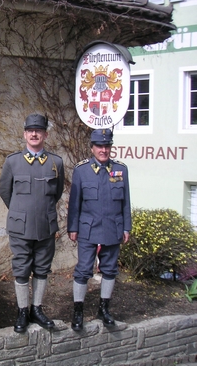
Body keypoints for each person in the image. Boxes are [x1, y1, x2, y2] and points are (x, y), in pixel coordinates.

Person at [0, 114, 65, 332]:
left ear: (45, 134)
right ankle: (22, 311)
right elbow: (5, 192)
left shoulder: (56, 162)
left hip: (45, 225)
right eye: (30, 131)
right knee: (21, 268)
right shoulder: (13, 161)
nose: (34, 134)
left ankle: (36, 309)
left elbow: (57, 192)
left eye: (38, 130)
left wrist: (39, 211)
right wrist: (21, 211)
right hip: (20, 226)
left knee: (42, 268)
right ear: (25, 134)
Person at [67, 128, 131, 331]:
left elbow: (126, 201)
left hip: (113, 226)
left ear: (110, 147)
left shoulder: (121, 169)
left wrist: (127, 227)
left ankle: (104, 309)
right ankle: (78, 311)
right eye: (99, 146)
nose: (103, 150)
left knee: (110, 269)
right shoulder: (81, 170)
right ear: (92, 148)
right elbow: (74, 202)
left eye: (107, 146)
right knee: (83, 270)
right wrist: (72, 227)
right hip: (88, 227)